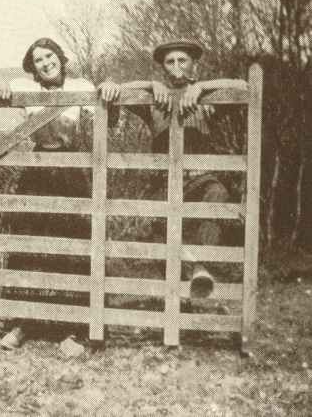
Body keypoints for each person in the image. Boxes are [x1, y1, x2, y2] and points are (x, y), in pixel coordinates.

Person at [99, 39, 247, 298]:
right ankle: (179, 297)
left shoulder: (208, 99)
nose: (177, 66)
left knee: (217, 194)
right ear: (163, 68)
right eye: (170, 62)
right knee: (160, 231)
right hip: (165, 183)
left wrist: (201, 88)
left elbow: (244, 86)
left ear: (194, 65)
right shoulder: (156, 100)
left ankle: (200, 267)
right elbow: (115, 90)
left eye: (183, 60)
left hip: (200, 179)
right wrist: (151, 85)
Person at [0, 37, 113, 350]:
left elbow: (104, 107)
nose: (45, 64)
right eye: (38, 61)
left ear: (60, 57)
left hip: (70, 167)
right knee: (27, 243)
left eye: (49, 57)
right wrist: (2, 85)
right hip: (37, 167)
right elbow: (1, 86)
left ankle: (73, 327)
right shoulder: (26, 87)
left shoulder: (79, 84)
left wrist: (110, 88)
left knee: (73, 245)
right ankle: (21, 323)